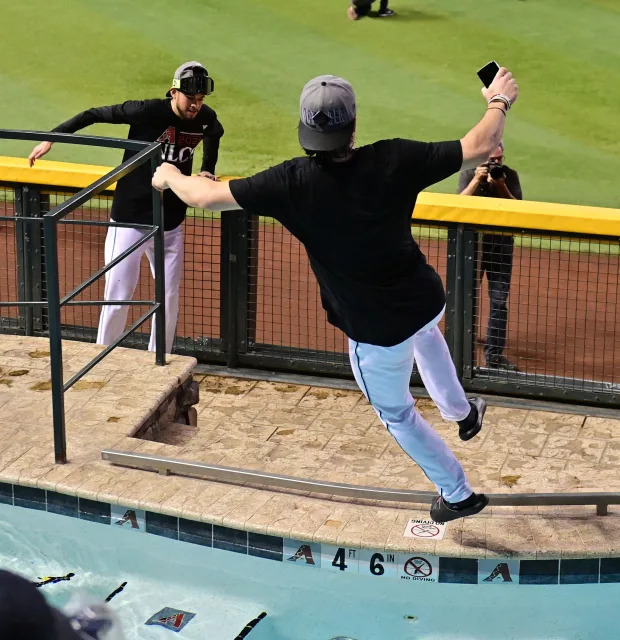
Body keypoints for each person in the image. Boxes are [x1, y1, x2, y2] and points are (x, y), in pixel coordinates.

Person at [150, 67, 519, 523]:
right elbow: (480, 145)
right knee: (425, 331)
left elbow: (204, 197)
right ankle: (462, 414)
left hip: (374, 331)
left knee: (397, 413)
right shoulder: (394, 158)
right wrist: (498, 100)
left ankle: (457, 493)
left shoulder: (291, 183)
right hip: (424, 297)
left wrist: (168, 173)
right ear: (354, 126)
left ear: (305, 131)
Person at [27, 61, 224, 354]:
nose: (196, 105)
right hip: (129, 218)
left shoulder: (205, 118)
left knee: (168, 297)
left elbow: (214, 134)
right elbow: (94, 114)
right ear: (173, 92)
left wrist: (207, 168)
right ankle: (103, 357)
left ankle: (160, 360)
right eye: (190, 98)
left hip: (170, 222)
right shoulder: (145, 111)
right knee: (118, 295)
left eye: (200, 99)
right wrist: (52, 138)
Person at [458, 142, 523, 371]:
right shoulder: (469, 174)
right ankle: (461, 349)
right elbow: (456, 206)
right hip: (471, 248)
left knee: (499, 302)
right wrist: (477, 180)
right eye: (491, 160)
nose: (496, 164)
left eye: (499, 159)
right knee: (464, 298)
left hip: (501, 247)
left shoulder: (509, 176)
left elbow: (520, 212)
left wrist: (501, 186)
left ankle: (493, 357)